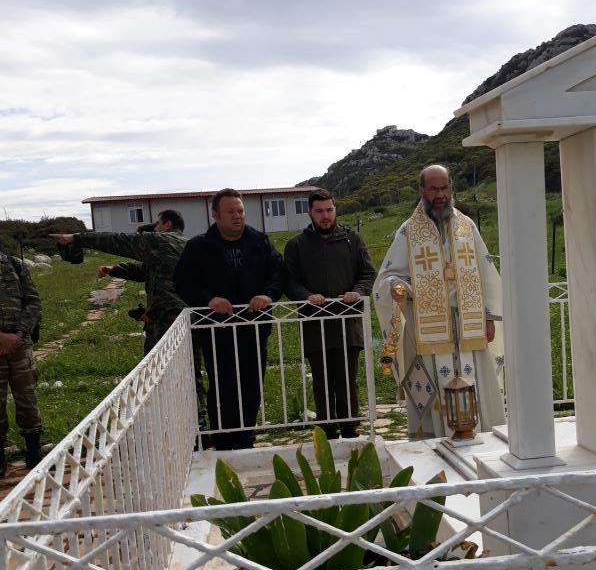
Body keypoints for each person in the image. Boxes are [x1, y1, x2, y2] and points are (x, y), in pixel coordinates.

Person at [373, 164, 505, 439]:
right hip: (427, 328)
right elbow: (388, 275)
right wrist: (396, 285)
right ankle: (433, 442)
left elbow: (485, 270)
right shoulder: (408, 231)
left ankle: (480, 437)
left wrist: (489, 316)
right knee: (433, 385)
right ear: (422, 191)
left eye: (445, 188)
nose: (441, 194)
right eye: (434, 189)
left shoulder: (466, 226)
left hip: (468, 323)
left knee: (477, 383)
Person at [174, 188, 285, 450]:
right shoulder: (198, 247)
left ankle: (246, 435)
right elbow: (182, 282)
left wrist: (267, 295)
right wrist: (208, 299)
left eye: (240, 211)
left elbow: (279, 273)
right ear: (215, 215)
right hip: (217, 330)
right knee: (222, 383)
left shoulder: (260, 242)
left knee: (252, 382)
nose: (237, 216)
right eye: (231, 212)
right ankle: (223, 439)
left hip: (254, 326)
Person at [284, 189, 376, 439]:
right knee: (322, 380)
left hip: (348, 321)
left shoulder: (352, 240)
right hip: (315, 323)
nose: (325, 216)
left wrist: (358, 291)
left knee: (347, 378)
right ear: (309, 213)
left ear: (335, 210)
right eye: (319, 211)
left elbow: (368, 273)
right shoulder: (296, 245)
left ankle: (350, 427)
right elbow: (289, 281)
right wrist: (306, 296)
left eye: (329, 210)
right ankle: (327, 429)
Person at [51, 209, 188, 353]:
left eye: (157, 224)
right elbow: (145, 270)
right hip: (189, 314)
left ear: (167, 224)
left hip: (167, 318)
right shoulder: (185, 244)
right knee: (188, 359)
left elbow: (117, 240)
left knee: (163, 361)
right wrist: (114, 269)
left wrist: (76, 238)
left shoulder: (161, 241)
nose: (154, 228)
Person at [0, 250, 43, 476]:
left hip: (20, 345)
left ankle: (34, 451)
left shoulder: (15, 265)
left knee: (27, 398)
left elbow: (34, 303)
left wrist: (17, 336)